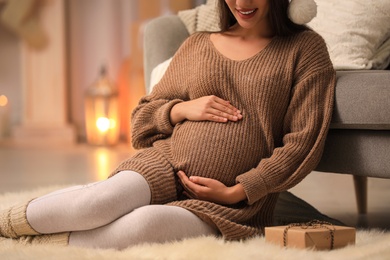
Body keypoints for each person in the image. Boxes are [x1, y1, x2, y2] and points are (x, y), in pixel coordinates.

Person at [0, 0, 336, 250]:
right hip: (162, 162)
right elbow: (141, 120)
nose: (242, 3)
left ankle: (39, 243)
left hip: (228, 205)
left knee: (140, 226)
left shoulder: (305, 50)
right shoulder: (198, 44)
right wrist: (181, 109)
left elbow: (303, 143)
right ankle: (7, 223)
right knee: (97, 205)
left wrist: (240, 190)